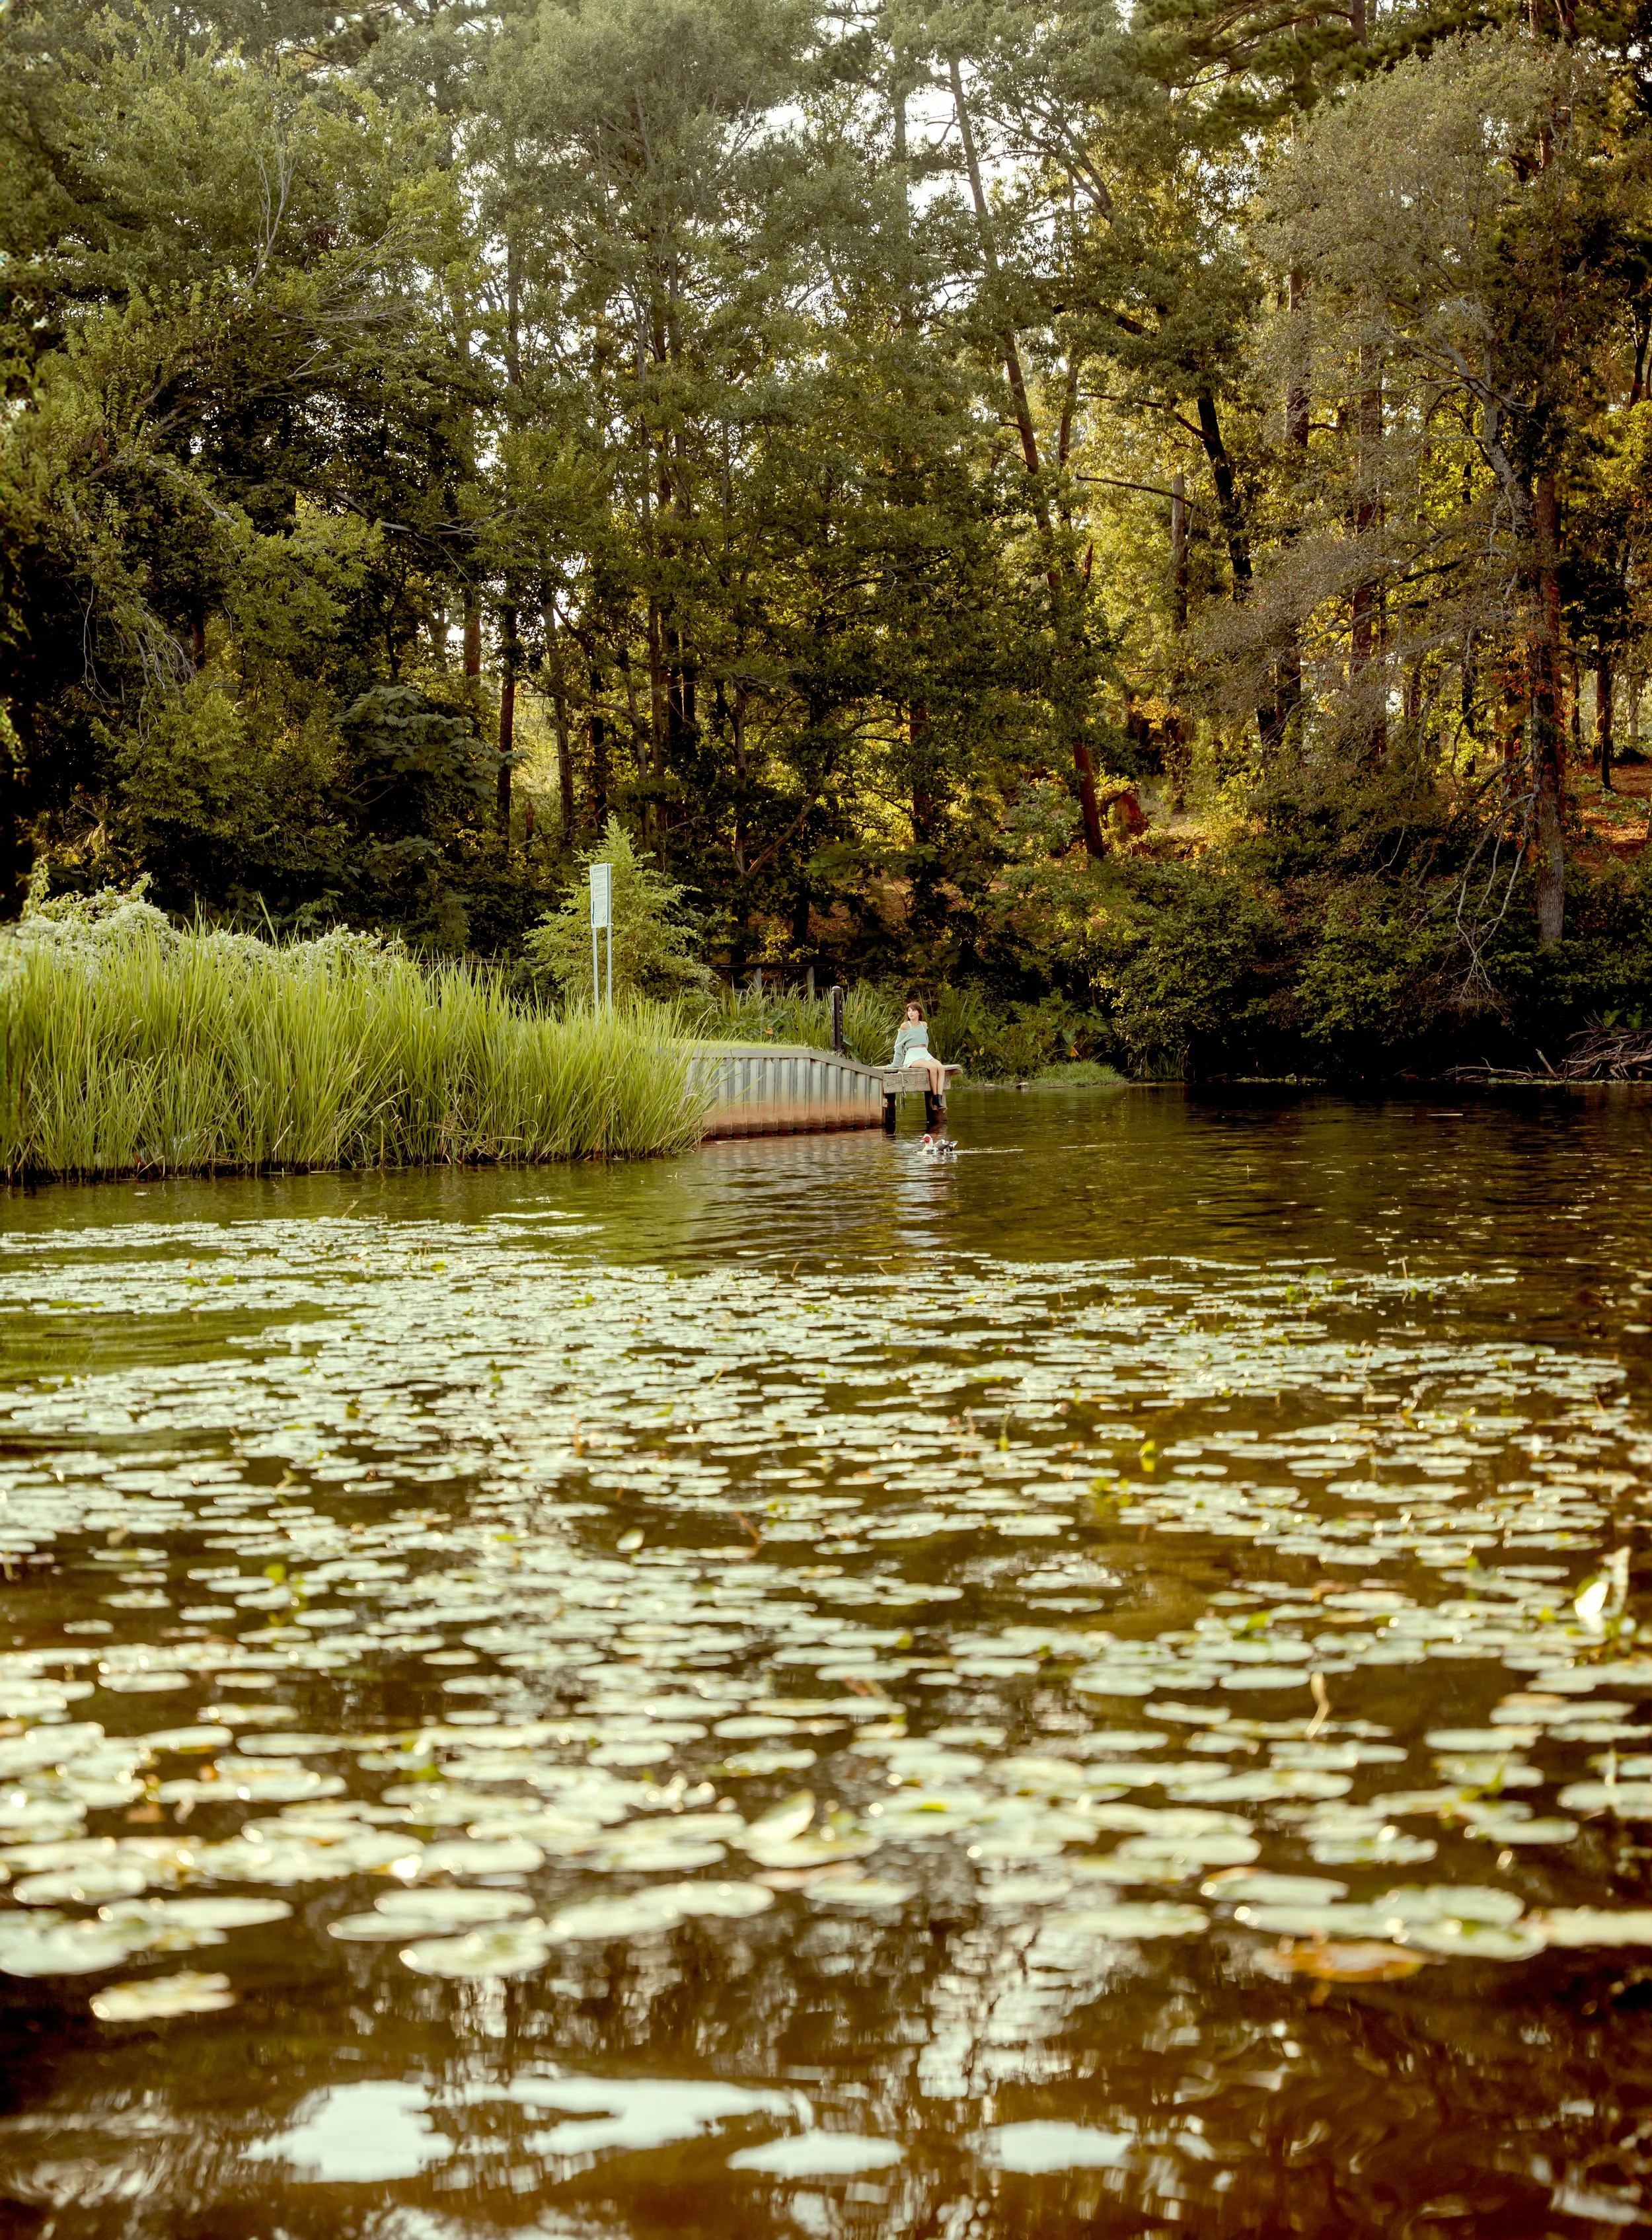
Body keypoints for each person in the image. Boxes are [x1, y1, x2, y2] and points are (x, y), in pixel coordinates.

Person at [892, 1000, 948, 1099]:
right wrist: (895, 1064)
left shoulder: (924, 1025)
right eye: (909, 1011)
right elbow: (898, 1046)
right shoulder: (905, 1026)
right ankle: (935, 1096)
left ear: (919, 1012)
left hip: (925, 1053)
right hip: (913, 1056)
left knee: (941, 1068)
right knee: (933, 1068)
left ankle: (939, 1097)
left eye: (913, 1011)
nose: (910, 1013)